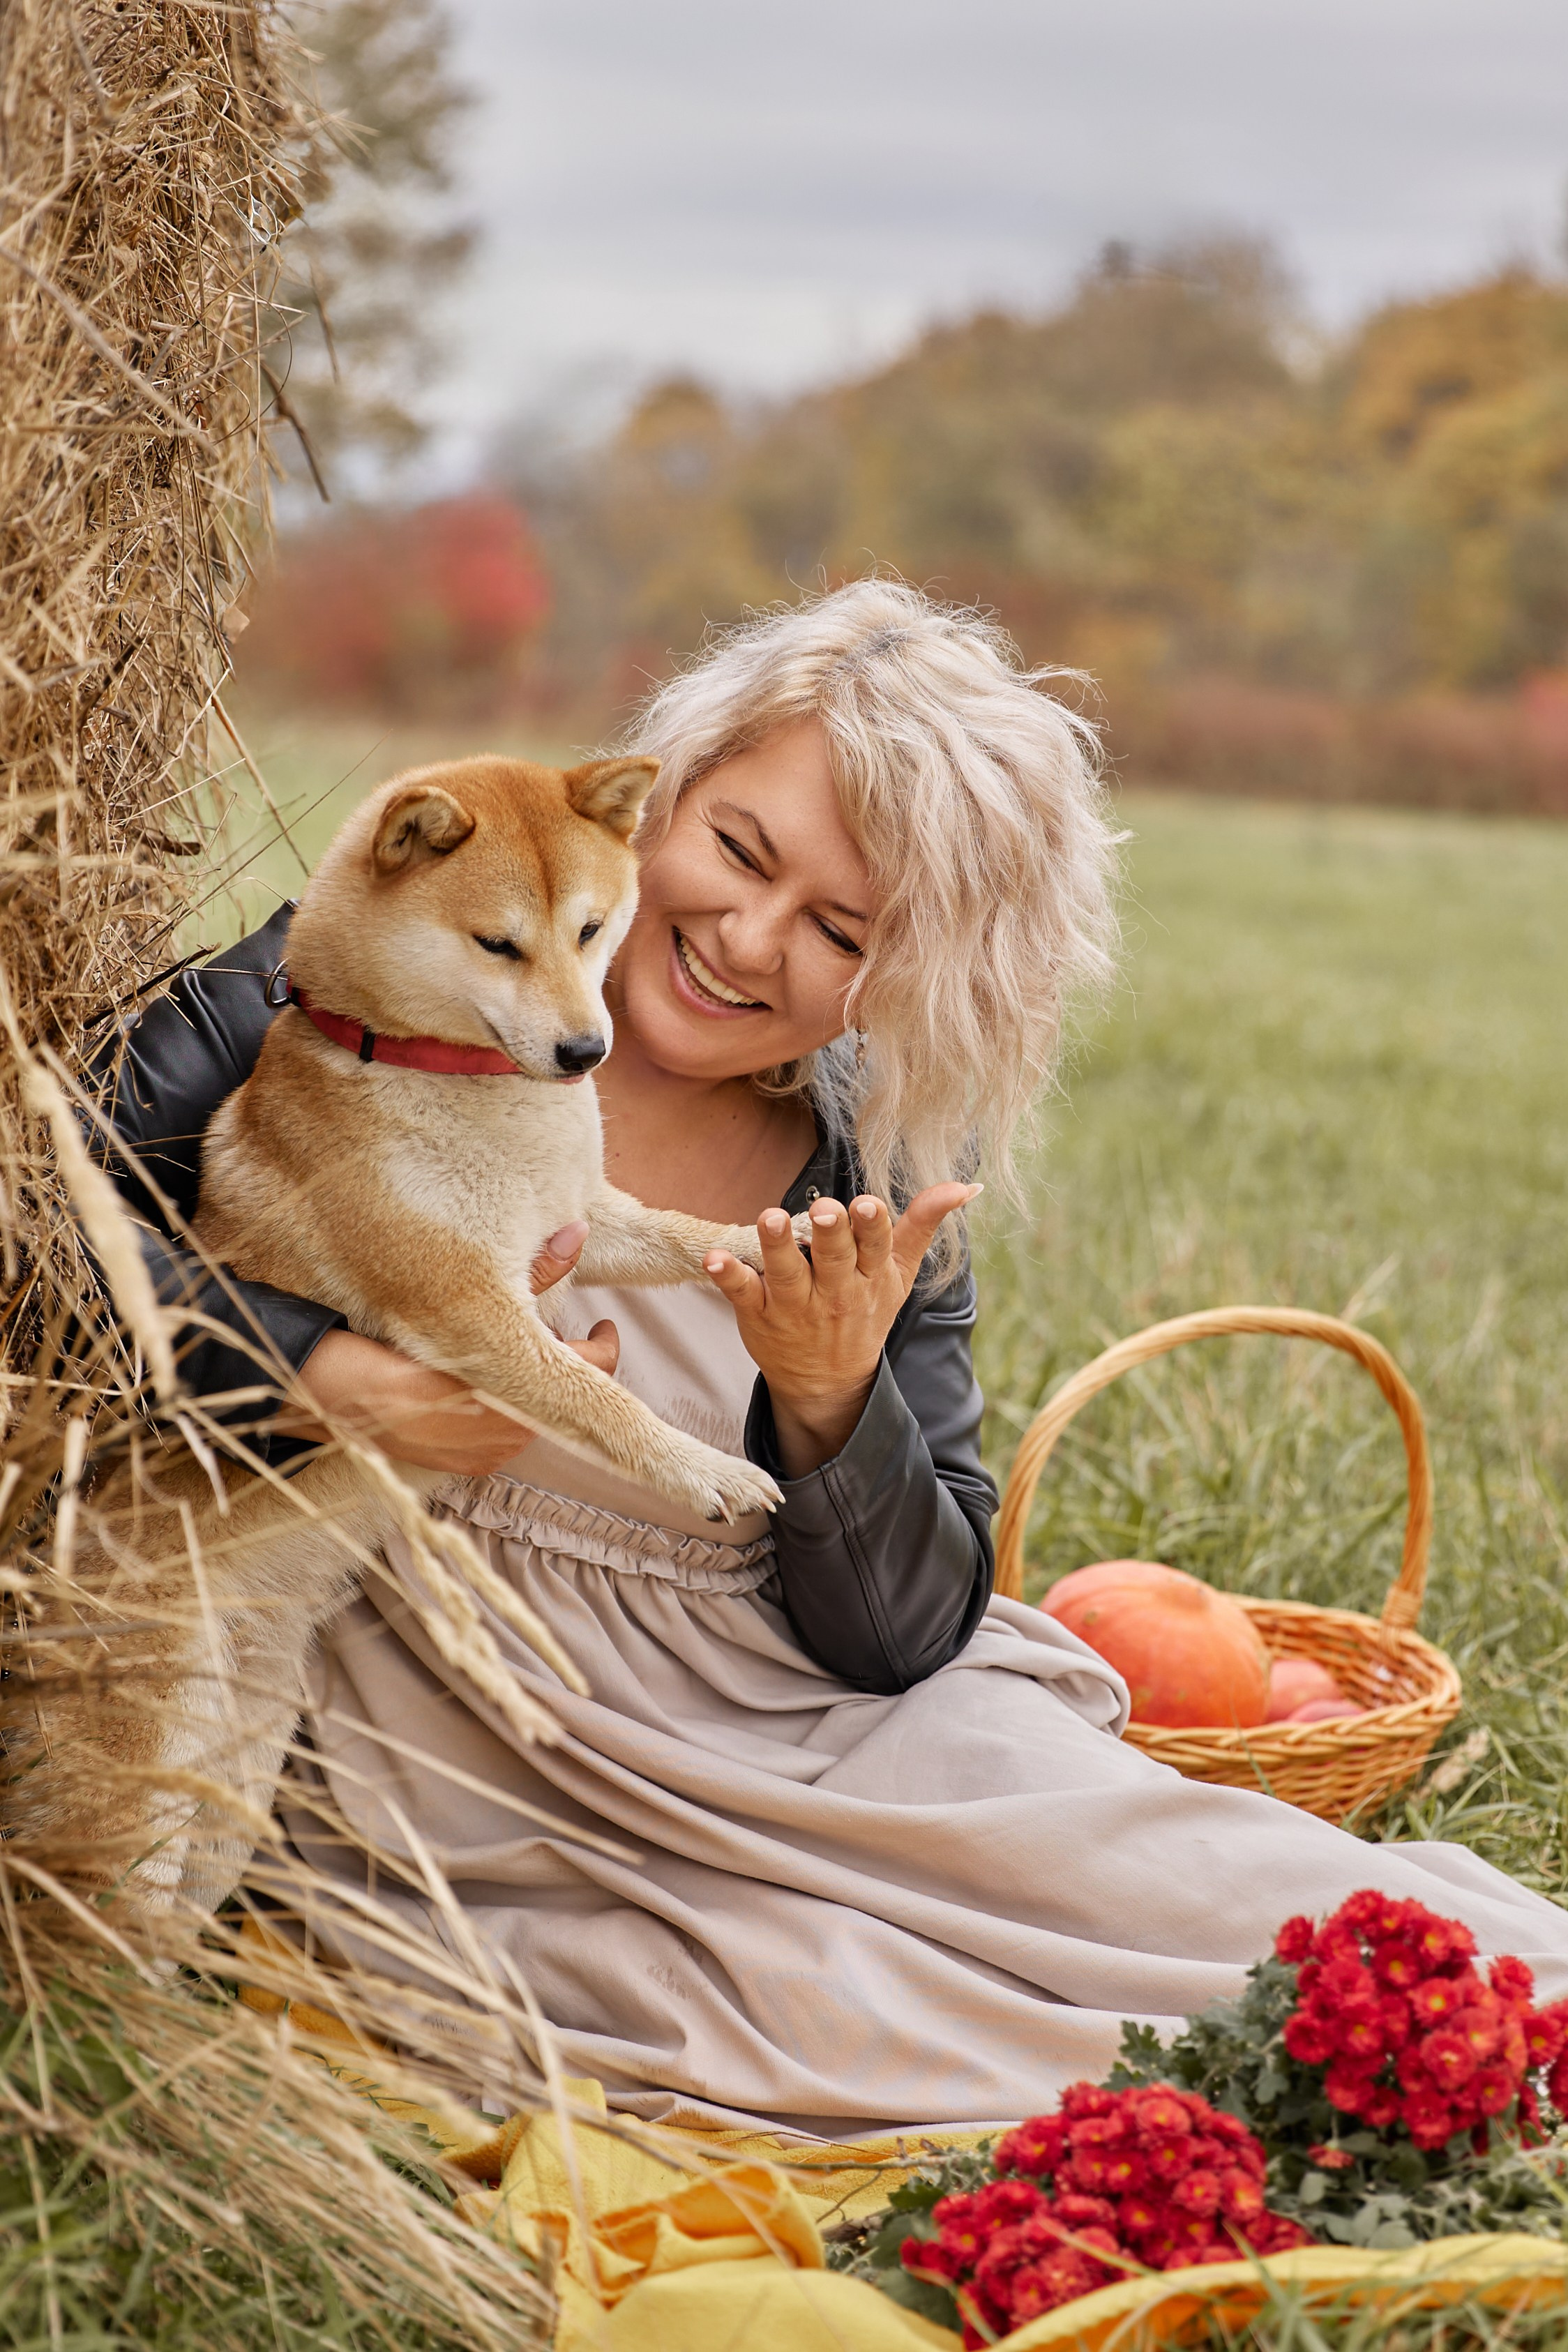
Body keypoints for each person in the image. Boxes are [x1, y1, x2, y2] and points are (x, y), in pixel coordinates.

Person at [97, 580, 1568, 2137]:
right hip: (512, 1773)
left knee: (1237, 1901)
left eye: (841, 932)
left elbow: (906, 1635)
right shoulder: (339, 989)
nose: (748, 940)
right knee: (868, 2022)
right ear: (662, 795)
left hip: (830, 1728)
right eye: (738, 853)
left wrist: (828, 1398)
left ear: (904, 980)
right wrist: (314, 1371)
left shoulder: (862, 1165)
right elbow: (47, 1242)